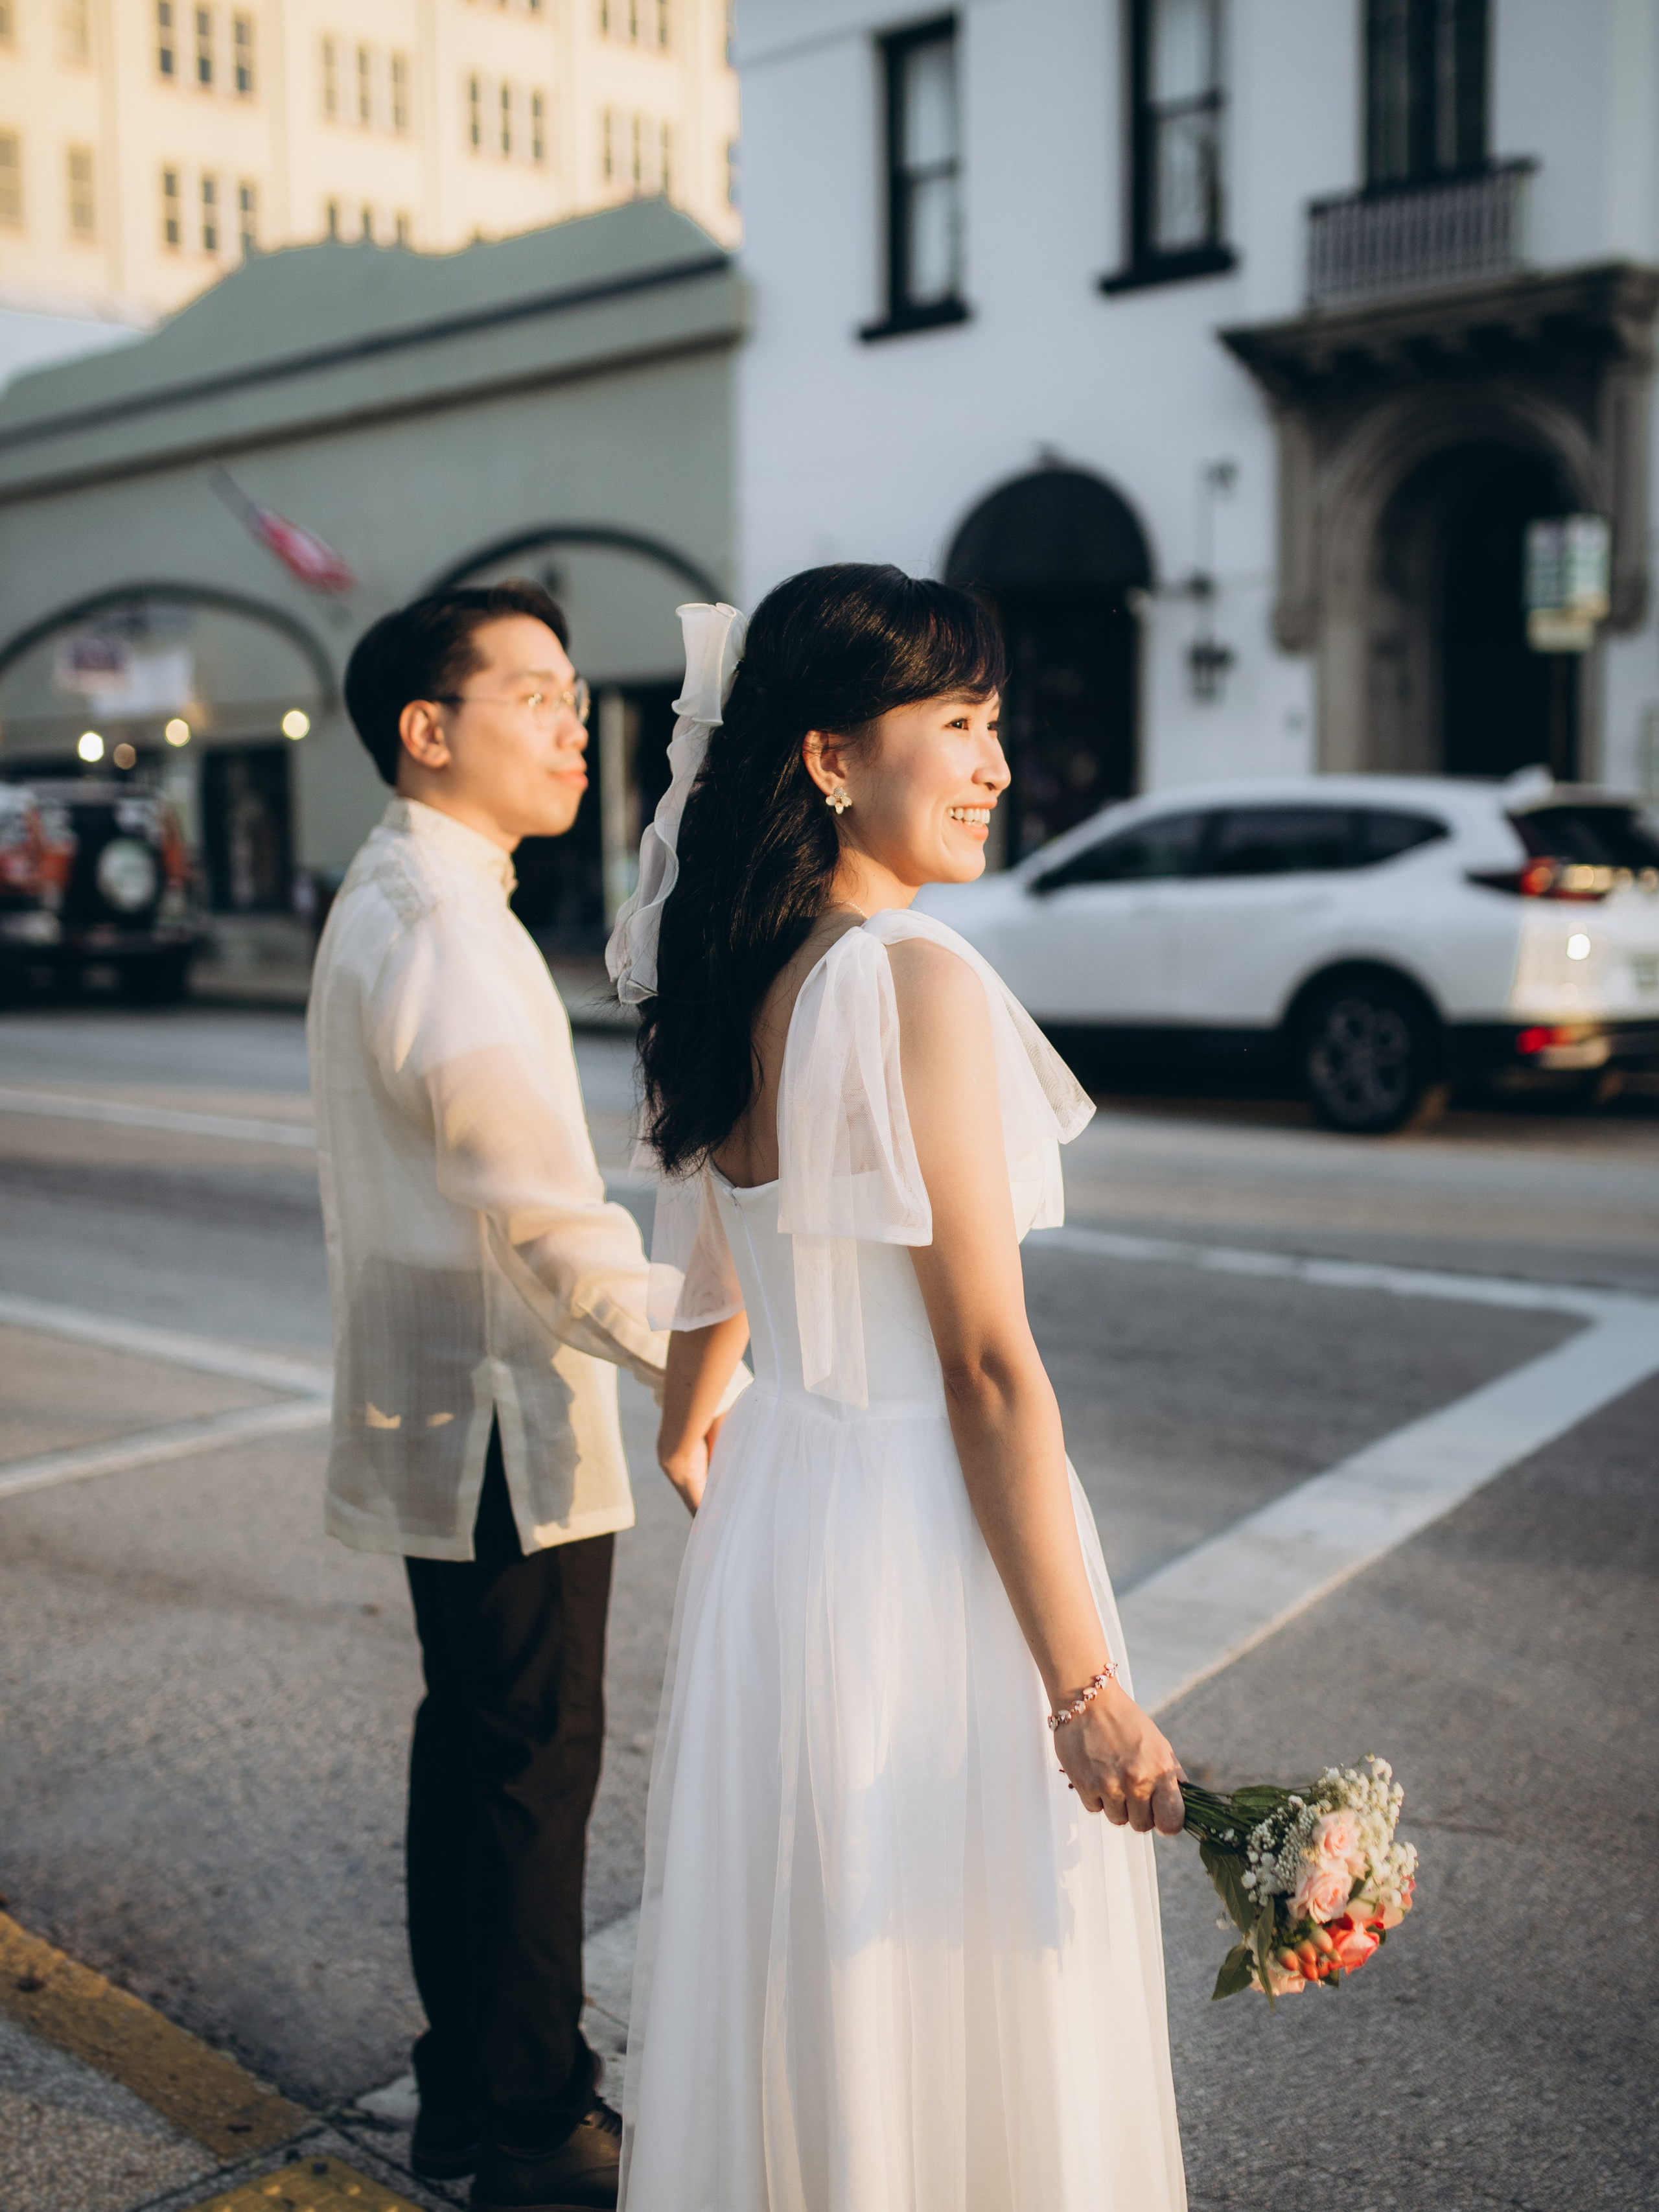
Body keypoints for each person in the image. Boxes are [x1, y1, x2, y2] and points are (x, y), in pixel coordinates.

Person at [609, 570, 1188, 2209]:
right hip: (917, 1531)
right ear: (826, 758)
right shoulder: (913, 981)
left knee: (818, 1967)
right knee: (958, 1958)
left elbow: (727, 1248)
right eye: (956, 723)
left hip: (793, 1515)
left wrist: (692, 1403)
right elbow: (986, 1366)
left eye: (993, 721)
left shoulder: (738, 975)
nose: (996, 763)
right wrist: (1084, 1692)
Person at [310, 581, 739, 2212]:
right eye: (537, 695)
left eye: (574, 696)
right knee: (527, 1768)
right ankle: (530, 2118)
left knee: (481, 1755)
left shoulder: (412, 895)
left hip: (464, 1408)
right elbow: (537, 1215)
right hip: (499, 1419)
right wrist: (705, 1355)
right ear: (430, 730)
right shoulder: (443, 926)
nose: (574, 723)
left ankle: (475, 2088)